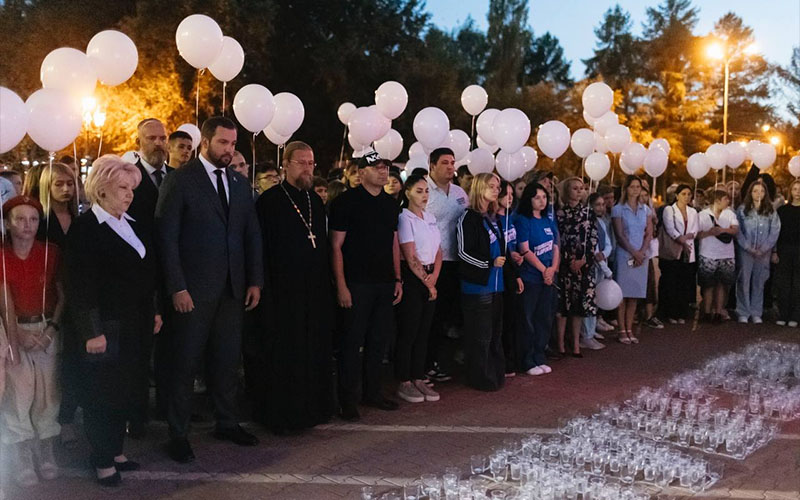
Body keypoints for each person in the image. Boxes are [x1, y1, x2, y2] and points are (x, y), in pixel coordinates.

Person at [156, 117, 263, 463]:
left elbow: (251, 235)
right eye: (223, 144)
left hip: (233, 290)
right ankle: (178, 433)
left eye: (233, 144)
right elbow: (166, 239)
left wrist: (255, 280)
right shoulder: (180, 180)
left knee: (226, 361)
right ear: (205, 143)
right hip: (192, 292)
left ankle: (227, 421)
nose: (229, 150)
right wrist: (177, 287)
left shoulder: (239, 183)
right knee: (184, 363)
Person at [65, 155, 161, 486]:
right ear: (102, 189)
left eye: (131, 188)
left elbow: (146, 273)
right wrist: (91, 331)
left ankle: (116, 449)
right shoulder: (86, 229)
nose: (129, 194)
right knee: (102, 393)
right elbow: (80, 284)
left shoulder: (131, 223)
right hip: (106, 328)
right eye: (123, 187)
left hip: (136, 323)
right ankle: (101, 458)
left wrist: (156, 311)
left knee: (128, 389)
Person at [253, 141, 334, 433]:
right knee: (287, 351)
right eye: (301, 162)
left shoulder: (316, 201)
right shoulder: (269, 201)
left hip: (314, 289)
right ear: (285, 164)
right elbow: (260, 249)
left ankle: (314, 407)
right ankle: (284, 414)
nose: (307, 168)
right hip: (282, 290)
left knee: (313, 348)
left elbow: (319, 242)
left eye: (311, 163)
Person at [330, 149, 402, 420]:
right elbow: (336, 246)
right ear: (360, 173)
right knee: (351, 342)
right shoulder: (345, 203)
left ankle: (373, 392)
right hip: (356, 283)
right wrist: (341, 285)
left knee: (378, 341)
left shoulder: (390, 203)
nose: (383, 171)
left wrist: (397, 277)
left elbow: (393, 241)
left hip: (384, 282)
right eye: (377, 167)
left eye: (385, 167)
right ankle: (347, 399)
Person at [0, 196, 64, 487]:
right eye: (20, 219)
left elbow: (63, 295)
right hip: (14, 330)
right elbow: (5, 303)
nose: (27, 225)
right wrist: (17, 338)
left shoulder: (51, 252)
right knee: (19, 393)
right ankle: (22, 451)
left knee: (48, 393)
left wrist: (51, 329)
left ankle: (46, 449)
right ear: (7, 223)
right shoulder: (2, 256)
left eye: (33, 219)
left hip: (46, 328)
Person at [456, 173, 521, 391]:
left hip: (497, 286)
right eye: (491, 186)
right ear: (479, 189)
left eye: (497, 186)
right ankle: (480, 377)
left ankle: (495, 372)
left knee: (495, 333)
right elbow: (464, 251)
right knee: (480, 336)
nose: (496, 190)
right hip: (478, 286)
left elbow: (504, 250)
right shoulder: (469, 218)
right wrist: (488, 262)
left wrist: (512, 276)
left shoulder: (493, 218)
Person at [395, 174, 442, 403]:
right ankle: (404, 380)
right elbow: (410, 254)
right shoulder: (404, 218)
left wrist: (434, 278)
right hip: (414, 278)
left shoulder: (430, 218)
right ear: (408, 193)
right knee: (409, 331)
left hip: (430, 276)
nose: (424, 196)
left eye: (426, 191)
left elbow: (439, 251)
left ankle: (418, 375)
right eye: (419, 191)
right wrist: (426, 281)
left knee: (424, 332)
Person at [425, 147, 469, 383]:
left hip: (456, 261)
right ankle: (425, 363)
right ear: (431, 165)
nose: (450, 167)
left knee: (448, 316)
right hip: (431, 263)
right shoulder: (423, 191)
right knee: (430, 316)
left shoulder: (460, 192)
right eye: (444, 163)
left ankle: (441, 361)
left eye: (453, 162)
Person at [513, 183, 559, 376]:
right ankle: (527, 359)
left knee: (544, 319)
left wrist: (553, 269)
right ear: (529, 199)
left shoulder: (548, 219)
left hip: (547, 278)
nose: (542, 201)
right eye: (537, 197)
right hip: (531, 277)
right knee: (528, 320)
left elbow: (556, 246)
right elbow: (524, 248)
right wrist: (543, 270)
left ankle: (539, 355)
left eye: (544, 197)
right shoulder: (523, 220)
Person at [555, 178, 599, 357]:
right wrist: (569, 260)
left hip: (583, 264)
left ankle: (576, 343)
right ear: (567, 191)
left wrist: (583, 260)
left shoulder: (589, 213)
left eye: (581, 188)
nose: (579, 191)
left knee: (579, 305)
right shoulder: (560, 213)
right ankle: (560, 344)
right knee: (563, 306)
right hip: (565, 264)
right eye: (575, 188)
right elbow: (557, 239)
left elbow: (594, 238)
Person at [612, 175, 653, 344]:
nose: (635, 190)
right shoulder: (619, 209)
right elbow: (620, 234)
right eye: (632, 186)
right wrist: (633, 252)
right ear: (626, 189)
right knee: (622, 294)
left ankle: (630, 328)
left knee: (634, 293)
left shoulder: (646, 210)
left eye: (638, 187)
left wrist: (642, 252)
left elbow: (649, 232)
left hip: (641, 256)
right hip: (625, 255)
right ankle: (621, 329)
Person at [736, 180, 780, 324]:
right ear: (750, 193)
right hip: (746, 251)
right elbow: (738, 231)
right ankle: (743, 311)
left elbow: (774, 231)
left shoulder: (771, 211)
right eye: (755, 191)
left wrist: (765, 248)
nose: (758, 194)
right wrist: (748, 247)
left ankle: (756, 312)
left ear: (766, 193)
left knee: (759, 282)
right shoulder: (743, 210)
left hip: (763, 252)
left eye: (761, 191)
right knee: (744, 281)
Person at [657, 184, 698, 324]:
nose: (686, 197)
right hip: (673, 250)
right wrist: (682, 240)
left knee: (684, 282)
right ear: (677, 195)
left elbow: (695, 230)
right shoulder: (670, 210)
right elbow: (670, 228)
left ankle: (682, 312)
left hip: (688, 250)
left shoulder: (693, 212)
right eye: (683, 194)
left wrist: (687, 239)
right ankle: (669, 312)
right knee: (670, 282)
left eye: (689, 194)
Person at [696, 189, 739, 323]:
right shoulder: (702, 215)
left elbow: (735, 229)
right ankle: (707, 312)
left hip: (726, 254)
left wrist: (723, 230)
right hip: (708, 254)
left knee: (722, 284)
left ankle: (718, 312)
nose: (728, 201)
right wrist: (709, 232)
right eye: (725, 199)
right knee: (708, 285)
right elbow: (696, 234)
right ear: (717, 201)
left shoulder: (729, 213)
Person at [580, 193, 612, 350]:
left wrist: (604, 255)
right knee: (589, 301)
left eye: (602, 204)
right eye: (597, 204)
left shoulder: (602, 222)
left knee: (596, 300)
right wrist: (605, 267)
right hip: (592, 266)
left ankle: (591, 331)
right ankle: (586, 335)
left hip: (600, 265)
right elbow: (592, 247)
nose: (601, 207)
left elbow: (608, 244)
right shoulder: (586, 222)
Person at [497, 180, 523, 375]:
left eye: (512, 194)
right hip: (500, 274)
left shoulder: (510, 218)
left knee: (513, 319)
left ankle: (512, 356)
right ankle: (502, 360)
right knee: (503, 319)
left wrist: (517, 256)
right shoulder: (493, 219)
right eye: (506, 194)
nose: (510, 198)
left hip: (514, 270)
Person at [775, 180, 800, 327]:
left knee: (798, 284)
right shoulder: (782, 211)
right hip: (784, 250)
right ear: (790, 191)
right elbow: (777, 232)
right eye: (795, 189)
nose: (798, 192)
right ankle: (783, 314)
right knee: (784, 284)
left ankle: (795, 316)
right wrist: (775, 251)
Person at [37, 162, 77, 248]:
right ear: (47, 186)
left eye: (70, 184)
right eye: (58, 184)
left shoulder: (78, 217)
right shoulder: (39, 218)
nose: (66, 189)